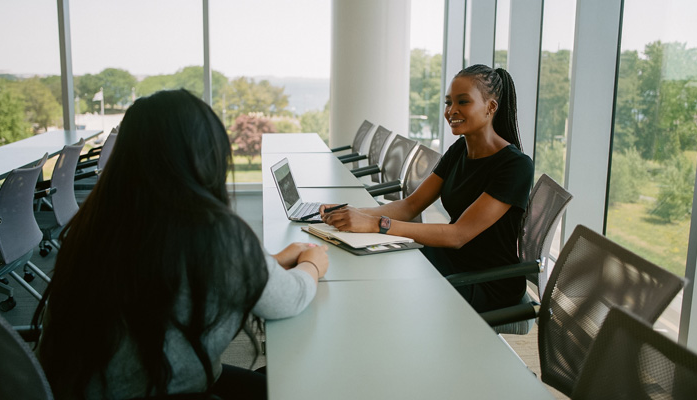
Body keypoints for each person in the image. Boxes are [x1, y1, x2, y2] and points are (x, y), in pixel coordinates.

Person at [32, 89, 328, 400]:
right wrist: (312, 263)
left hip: (83, 390)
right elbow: (289, 299)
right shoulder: (211, 230)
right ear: (204, 155)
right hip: (166, 389)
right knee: (298, 384)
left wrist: (271, 261)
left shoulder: (97, 219)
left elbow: (171, 277)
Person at [321, 65, 532, 313]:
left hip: (487, 281)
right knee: (376, 264)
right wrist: (350, 213)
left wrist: (376, 224)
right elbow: (410, 205)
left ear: (491, 107)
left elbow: (457, 235)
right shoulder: (459, 150)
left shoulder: (515, 166)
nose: (451, 111)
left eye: (462, 102)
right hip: (452, 261)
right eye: (448, 103)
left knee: (391, 290)